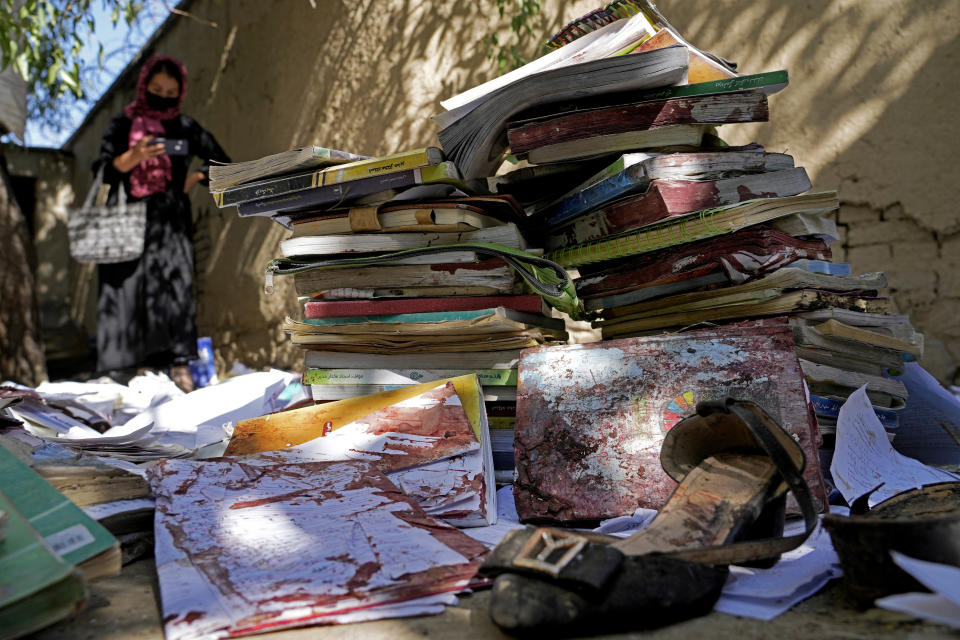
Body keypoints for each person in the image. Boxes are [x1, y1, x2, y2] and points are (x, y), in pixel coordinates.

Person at [93, 54, 229, 392]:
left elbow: (223, 162)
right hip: (132, 219)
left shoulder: (184, 127)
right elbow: (103, 169)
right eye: (156, 89)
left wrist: (196, 176)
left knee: (175, 291)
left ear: (179, 93)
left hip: (172, 220)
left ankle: (178, 366)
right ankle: (138, 371)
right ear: (144, 86)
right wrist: (135, 156)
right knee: (132, 291)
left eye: (170, 92)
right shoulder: (123, 123)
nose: (162, 96)